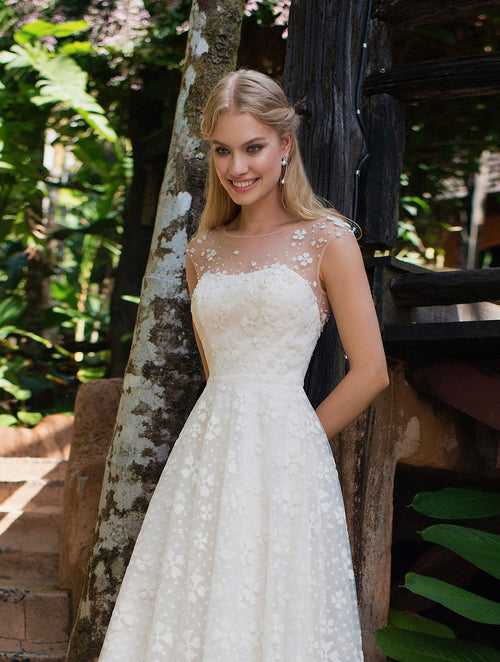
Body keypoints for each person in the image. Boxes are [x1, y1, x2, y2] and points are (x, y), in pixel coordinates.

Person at [98, 69, 389, 662]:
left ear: (285, 145)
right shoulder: (203, 249)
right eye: (223, 150)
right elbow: (216, 371)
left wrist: (301, 438)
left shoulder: (328, 238)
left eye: (253, 147)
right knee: (199, 599)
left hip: (288, 454)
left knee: (276, 604)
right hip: (207, 454)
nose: (238, 167)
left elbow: (371, 371)